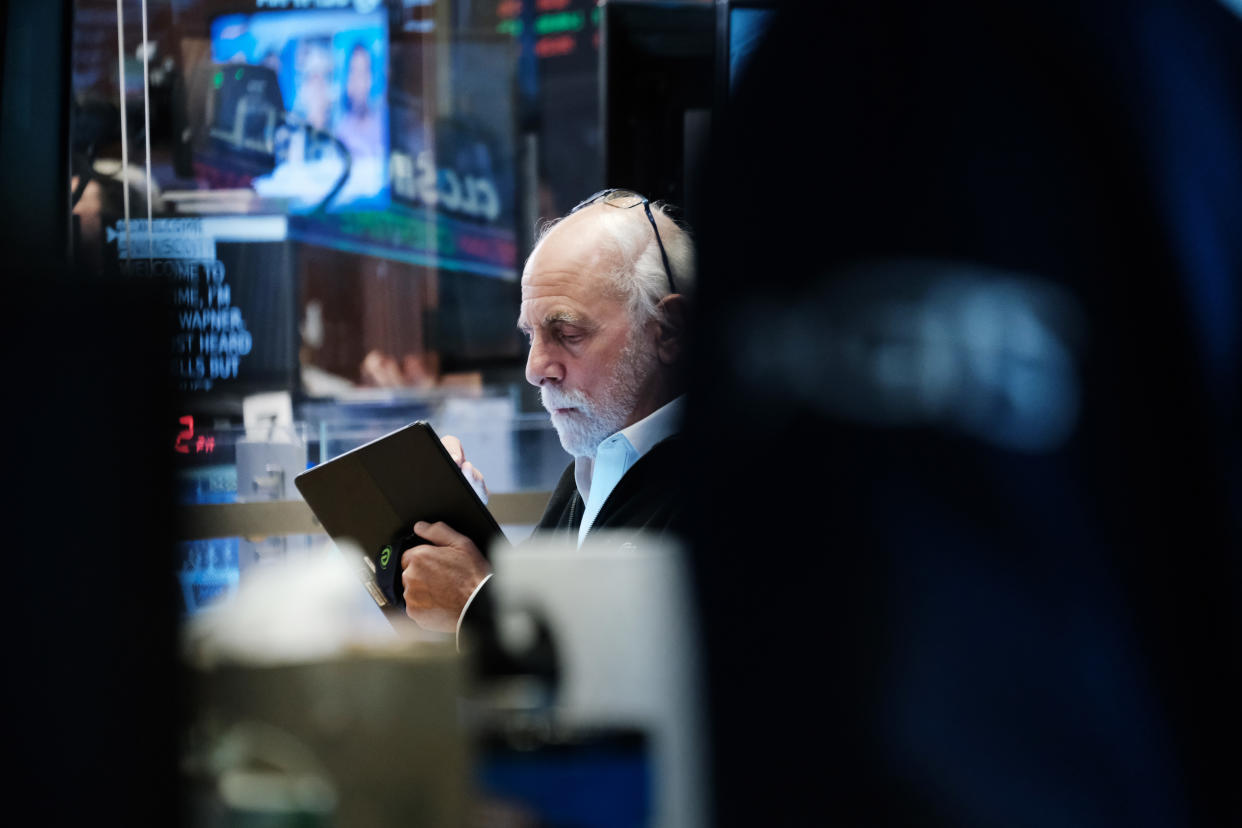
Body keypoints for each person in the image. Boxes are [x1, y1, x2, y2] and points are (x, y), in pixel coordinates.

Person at [398, 189, 695, 639]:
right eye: (531, 336)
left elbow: (637, 681)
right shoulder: (593, 470)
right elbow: (552, 621)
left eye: (567, 332)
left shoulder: (727, 488)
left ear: (668, 332)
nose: (535, 369)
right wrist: (461, 537)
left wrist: (475, 606)